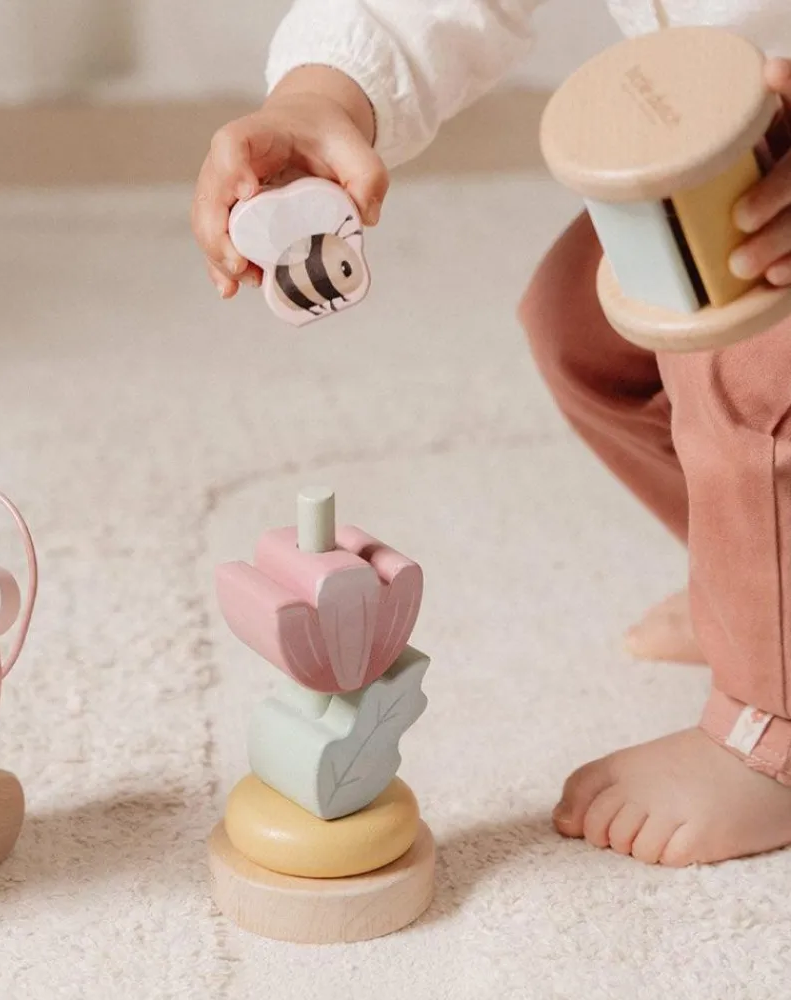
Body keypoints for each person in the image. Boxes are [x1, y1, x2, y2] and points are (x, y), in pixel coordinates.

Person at [190, 0, 791, 867]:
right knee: (579, 326)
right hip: (706, 144)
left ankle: (770, 733)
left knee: (742, 377)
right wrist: (323, 94)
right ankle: (752, 593)